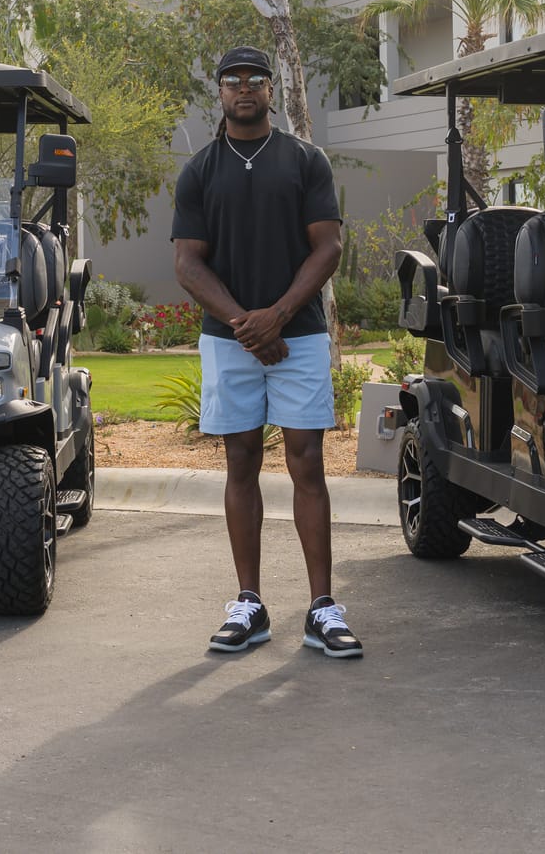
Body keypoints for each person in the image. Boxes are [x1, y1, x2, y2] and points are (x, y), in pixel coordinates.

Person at [171, 46, 360, 658]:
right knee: (241, 460)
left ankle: (323, 608)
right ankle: (248, 605)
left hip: (298, 335)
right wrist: (244, 324)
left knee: (307, 461)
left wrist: (276, 316)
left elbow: (328, 247)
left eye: (255, 79)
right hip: (229, 340)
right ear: (220, 91)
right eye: (233, 80)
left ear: (271, 90)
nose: (244, 88)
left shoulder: (305, 160)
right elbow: (187, 262)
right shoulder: (200, 171)